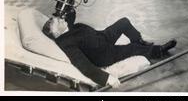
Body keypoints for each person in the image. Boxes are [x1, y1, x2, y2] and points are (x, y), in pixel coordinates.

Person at [42, 13, 177, 88]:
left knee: (124, 22)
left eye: (59, 18)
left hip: (102, 36)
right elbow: (83, 65)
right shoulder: (66, 43)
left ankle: (139, 41)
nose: (61, 19)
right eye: (57, 22)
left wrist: (62, 13)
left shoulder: (68, 27)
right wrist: (106, 78)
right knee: (132, 49)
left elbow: (71, 13)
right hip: (104, 54)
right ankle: (158, 50)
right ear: (54, 33)